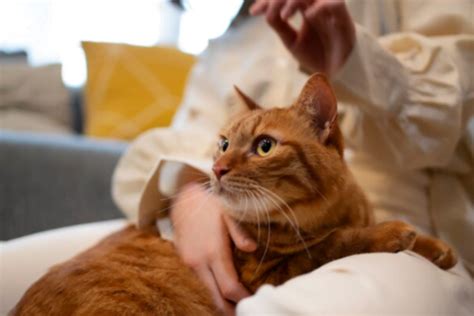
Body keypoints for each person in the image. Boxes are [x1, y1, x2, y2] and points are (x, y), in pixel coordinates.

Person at [104, 0, 474, 314]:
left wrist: (359, 64)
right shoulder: (226, 43)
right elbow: (182, 147)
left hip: (388, 234)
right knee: (46, 260)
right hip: (214, 225)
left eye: (264, 146)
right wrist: (188, 195)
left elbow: (458, 111)